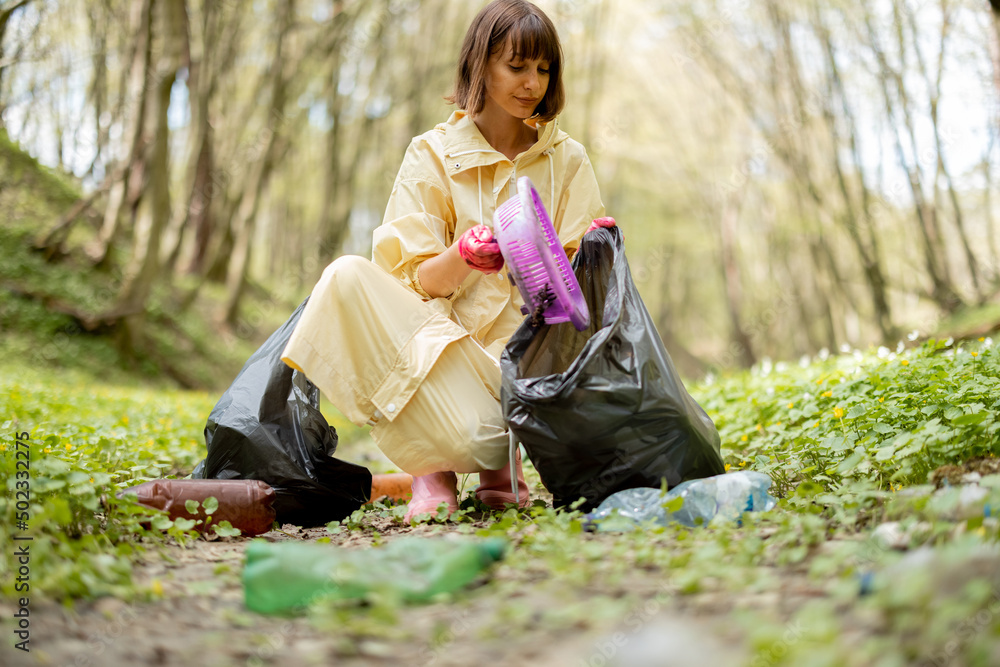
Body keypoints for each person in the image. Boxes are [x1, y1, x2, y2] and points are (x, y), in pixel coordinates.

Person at [281, 0, 614, 521]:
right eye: (517, 66)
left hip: (521, 368)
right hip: (437, 354)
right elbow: (412, 284)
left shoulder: (566, 159)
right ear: (480, 64)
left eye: (543, 69)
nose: (532, 83)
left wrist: (592, 256)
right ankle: (431, 473)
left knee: (517, 376)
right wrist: (463, 257)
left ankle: (500, 464)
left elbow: (575, 303)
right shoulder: (431, 153)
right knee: (346, 277)